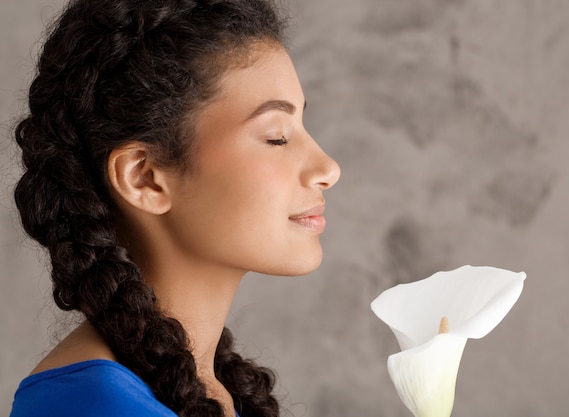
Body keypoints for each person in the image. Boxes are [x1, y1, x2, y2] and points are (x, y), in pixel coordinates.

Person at [9, 0, 340, 416]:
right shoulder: (91, 404)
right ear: (143, 177)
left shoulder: (208, 388)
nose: (328, 168)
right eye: (277, 137)